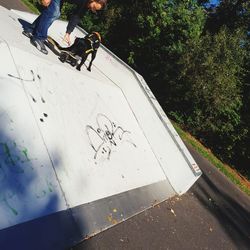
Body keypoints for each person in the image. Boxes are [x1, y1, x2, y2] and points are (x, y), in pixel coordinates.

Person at [23, 0, 107, 55]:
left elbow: (76, 16)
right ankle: (38, 37)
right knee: (54, 13)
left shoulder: (86, 4)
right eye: (94, 7)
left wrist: (68, 33)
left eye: (94, 9)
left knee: (53, 12)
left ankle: (31, 29)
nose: (92, 9)